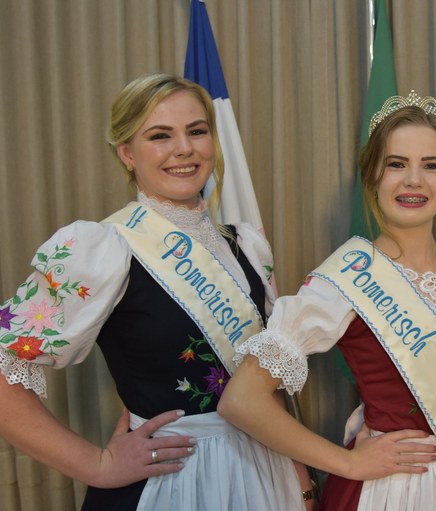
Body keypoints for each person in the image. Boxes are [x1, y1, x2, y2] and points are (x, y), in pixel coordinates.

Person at [0, 74, 314, 510]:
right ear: (127, 153)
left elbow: (266, 381)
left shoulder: (247, 246)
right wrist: (98, 465)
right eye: (160, 136)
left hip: (267, 475)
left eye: (196, 131)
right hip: (173, 481)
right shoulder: (102, 250)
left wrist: (299, 478)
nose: (184, 149)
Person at [219, 91, 436, 511]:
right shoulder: (345, 279)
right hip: (389, 490)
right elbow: (242, 401)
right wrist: (347, 462)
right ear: (372, 178)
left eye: (430, 165)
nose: (414, 180)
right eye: (396, 164)